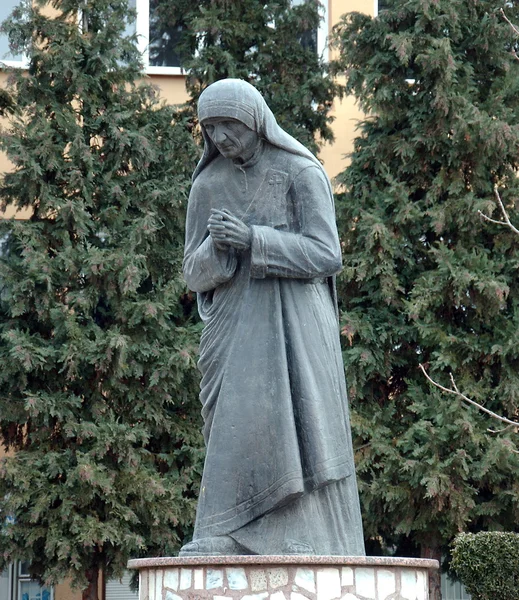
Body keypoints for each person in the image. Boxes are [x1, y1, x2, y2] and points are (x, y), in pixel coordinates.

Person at [181, 79, 365, 556]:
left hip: (295, 327)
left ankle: (307, 533)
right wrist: (216, 249)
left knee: (295, 423)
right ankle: (226, 533)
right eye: (211, 128)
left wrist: (254, 240)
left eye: (230, 125)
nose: (221, 137)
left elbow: (327, 253)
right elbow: (193, 273)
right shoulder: (207, 184)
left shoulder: (301, 172)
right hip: (232, 324)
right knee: (232, 428)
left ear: (256, 120)